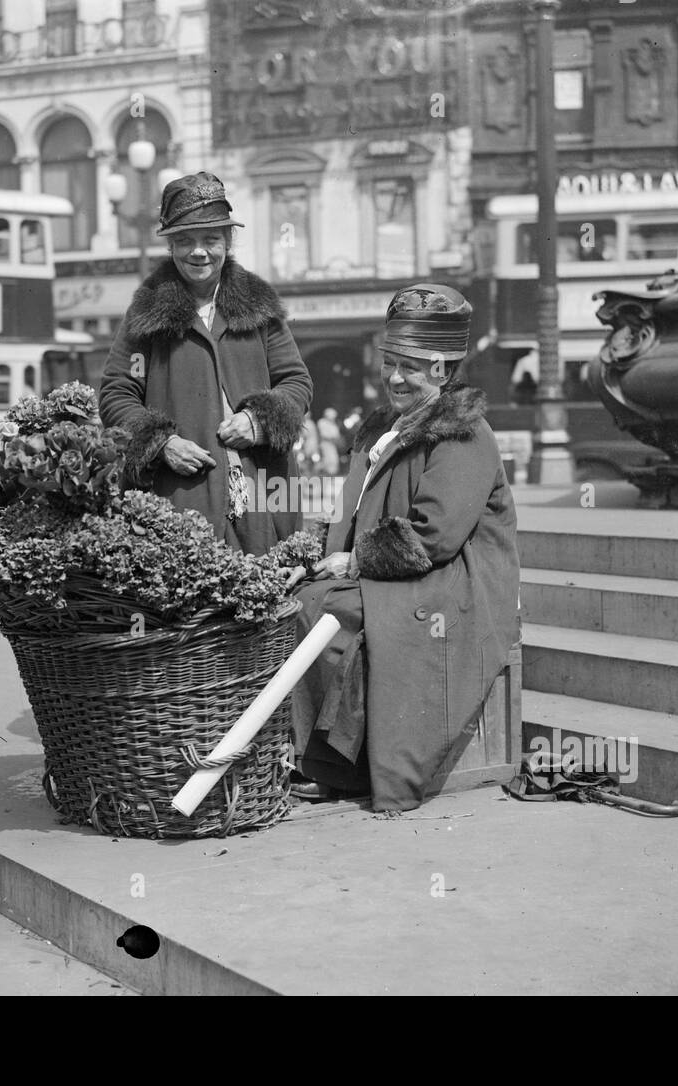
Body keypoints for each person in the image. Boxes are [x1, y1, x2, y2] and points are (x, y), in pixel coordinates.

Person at [286, 284, 520, 812]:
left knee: (333, 607)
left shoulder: (464, 435)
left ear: (442, 370)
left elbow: (435, 537)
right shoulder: (388, 429)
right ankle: (331, 762)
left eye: (410, 367)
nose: (393, 377)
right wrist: (317, 554)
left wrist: (354, 560)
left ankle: (348, 768)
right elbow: (355, 512)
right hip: (406, 570)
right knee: (309, 599)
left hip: (457, 581)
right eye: (389, 362)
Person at [100, 172, 313, 555]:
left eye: (211, 239)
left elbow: (296, 382)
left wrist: (260, 422)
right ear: (170, 246)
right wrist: (161, 444)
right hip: (179, 497)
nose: (199, 252)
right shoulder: (146, 311)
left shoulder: (259, 305)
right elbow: (118, 392)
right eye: (184, 241)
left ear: (227, 242)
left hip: (264, 497)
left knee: (267, 600)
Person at [316, 406, 341, 475]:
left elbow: (337, 436)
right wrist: (331, 439)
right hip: (325, 444)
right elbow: (323, 435)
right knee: (327, 460)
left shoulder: (334, 424)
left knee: (334, 460)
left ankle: (331, 475)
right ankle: (323, 474)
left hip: (333, 445)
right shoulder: (322, 422)